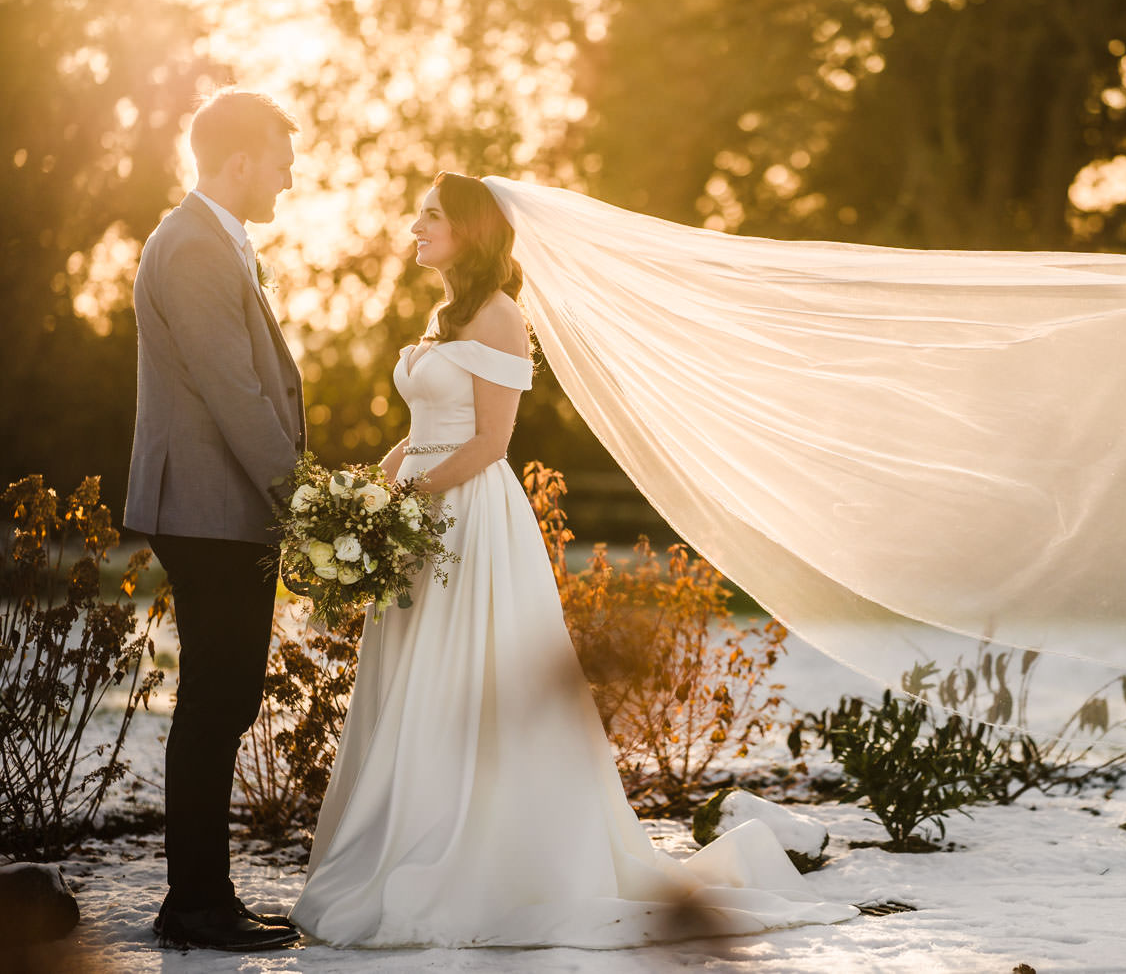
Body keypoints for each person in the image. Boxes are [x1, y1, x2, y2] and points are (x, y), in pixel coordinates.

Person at [290, 173, 857, 948]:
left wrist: (407, 500)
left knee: (473, 676)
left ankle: (481, 851)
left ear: (472, 230)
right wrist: (367, 493)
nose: (415, 225)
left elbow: (490, 442)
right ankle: (403, 834)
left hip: (469, 522)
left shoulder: (499, 316)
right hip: (419, 518)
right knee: (416, 676)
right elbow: (423, 429)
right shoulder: (444, 312)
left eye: (431, 215)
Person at [124, 89, 306, 951]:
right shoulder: (196, 248)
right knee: (214, 704)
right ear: (237, 161)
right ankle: (196, 904)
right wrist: (300, 495)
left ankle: (204, 897)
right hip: (210, 507)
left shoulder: (211, 240)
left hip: (220, 507)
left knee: (221, 700)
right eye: (280, 159)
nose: (289, 176)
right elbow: (236, 395)